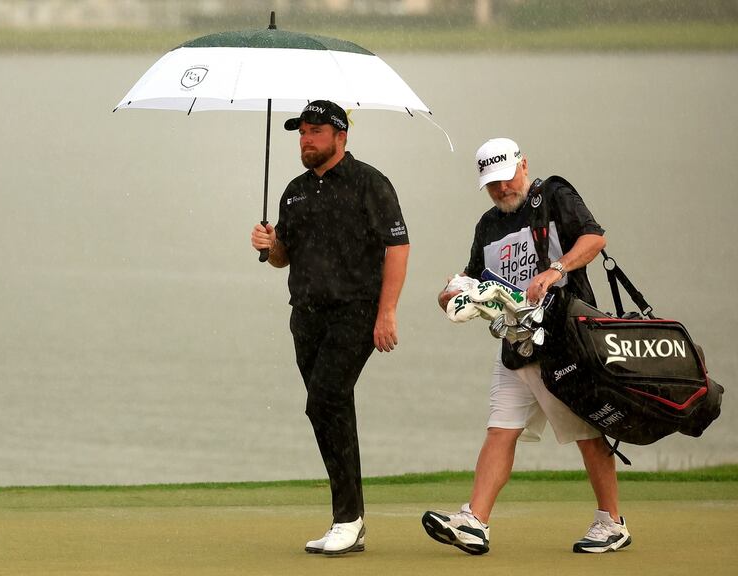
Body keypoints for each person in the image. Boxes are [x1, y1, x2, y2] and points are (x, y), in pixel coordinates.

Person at [421, 137, 631, 555]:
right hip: (516, 347)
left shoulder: (554, 194)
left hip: (566, 341)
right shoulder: (488, 225)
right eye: (492, 184)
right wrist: (450, 293)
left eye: (505, 178)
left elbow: (594, 239)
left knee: (587, 432)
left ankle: (612, 523)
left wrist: (554, 270)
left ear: (523, 165)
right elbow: (474, 279)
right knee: (500, 431)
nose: (502, 190)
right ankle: (475, 521)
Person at [250, 100, 410, 556]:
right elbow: (284, 257)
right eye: (301, 131)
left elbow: (397, 247)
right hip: (306, 316)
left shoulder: (369, 183)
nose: (306, 139)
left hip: (356, 311)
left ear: (341, 136)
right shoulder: (295, 191)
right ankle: (351, 521)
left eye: (315, 131)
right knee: (332, 409)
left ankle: (347, 518)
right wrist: (270, 243)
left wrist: (387, 312)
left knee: (324, 401)